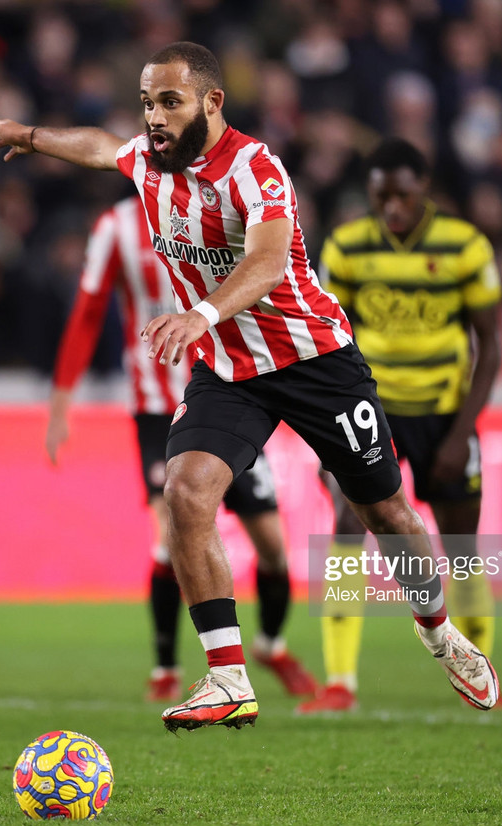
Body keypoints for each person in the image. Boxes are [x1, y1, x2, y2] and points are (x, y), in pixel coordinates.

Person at [0, 41, 499, 730]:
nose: (154, 118)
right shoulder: (147, 162)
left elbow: (269, 260)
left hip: (314, 361)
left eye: (170, 102)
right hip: (229, 370)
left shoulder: (255, 167)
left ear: (212, 102)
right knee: (185, 491)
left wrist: (197, 313)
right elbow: (103, 147)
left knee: (387, 514)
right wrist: (35, 137)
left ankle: (438, 632)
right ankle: (227, 676)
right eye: (147, 103)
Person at [46, 196, 317, 703]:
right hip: (158, 410)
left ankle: (271, 646)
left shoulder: (227, 205)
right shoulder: (117, 225)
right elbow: (88, 311)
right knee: (168, 541)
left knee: (274, 549)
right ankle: (166, 668)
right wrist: (62, 400)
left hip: (234, 399)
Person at [298, 138, 502, 714]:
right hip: (371, 413)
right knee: (347, 529)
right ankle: (340, 681)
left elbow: (490, 346)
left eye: (402, 193)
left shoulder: (465, 245)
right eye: (381, 195)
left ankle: (481, 672)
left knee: (463, 548)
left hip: (446, 415)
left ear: (425, 189)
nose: (391, 205)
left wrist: (465, 430)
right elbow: (324, 336)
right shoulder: (346, 247)